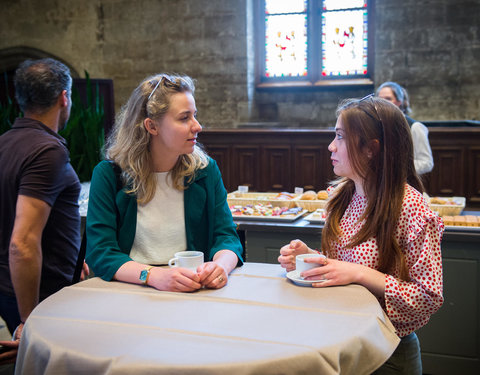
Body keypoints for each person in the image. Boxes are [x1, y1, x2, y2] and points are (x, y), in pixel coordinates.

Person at [278, 95, 444, 374]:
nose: (331, 146)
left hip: (387, 351)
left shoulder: (410, 206)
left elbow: (427, 296)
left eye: (340, 137)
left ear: (371, 149)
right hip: (341, 339)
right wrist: (312, 259)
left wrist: (358, 273)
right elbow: (345, 265)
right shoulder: (343, 195)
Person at [85, 73, 243, 292]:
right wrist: (152, 275)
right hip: (130, 289)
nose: (197, 126)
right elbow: (100, 252)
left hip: (193, 288)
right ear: (152, 126)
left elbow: (226, 236)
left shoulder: (205, 171)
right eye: (184, 117)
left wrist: (220, 267)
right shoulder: (109, 174)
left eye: (194, 115)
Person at [0, 58, 84, 364]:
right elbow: (22, 244)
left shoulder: (5, 143)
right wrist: (29, 319)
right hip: (39, 295)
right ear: (64, 97)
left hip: (10, 286)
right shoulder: (47, 150)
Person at [376, 81, 434, 175]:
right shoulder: (376, 124)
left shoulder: (415, 127)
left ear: (399, 102)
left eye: (388, 99)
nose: (382, 103)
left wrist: (397, 169)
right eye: (379, 99)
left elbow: (427, 163)